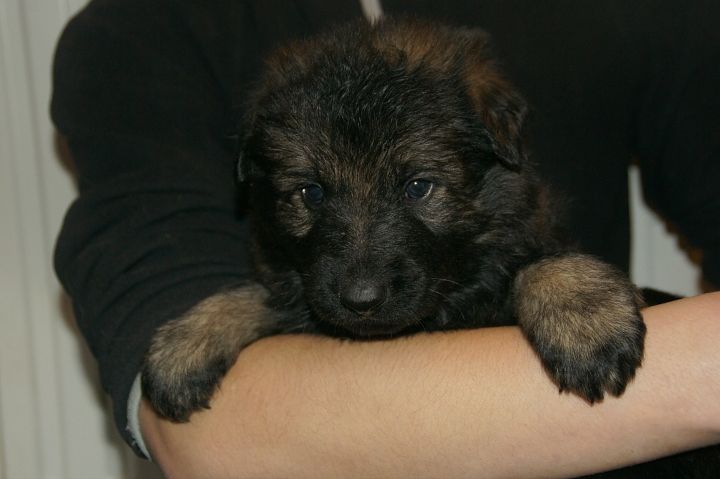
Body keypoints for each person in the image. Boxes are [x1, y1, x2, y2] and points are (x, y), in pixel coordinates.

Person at [51, 0, 720, 476]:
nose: (362, 282)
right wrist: (243, 311)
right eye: (311, 196)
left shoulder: (621, 15)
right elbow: (206, 434)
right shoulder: (143, 32)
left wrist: (552, 278)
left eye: (419, 187)